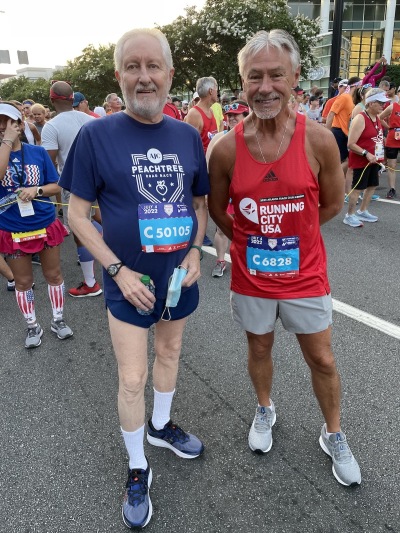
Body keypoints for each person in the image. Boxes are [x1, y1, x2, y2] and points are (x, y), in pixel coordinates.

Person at [60, 27, 209, 529]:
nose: (143, 77)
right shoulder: (95, 135)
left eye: (153, 67)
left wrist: (193, 250)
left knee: (169, 354)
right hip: (128, 284)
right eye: (132, 66)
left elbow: (200, 203)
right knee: (131, 378)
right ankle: (137, 465)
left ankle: (162, 426)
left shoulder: (187, 135)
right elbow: (75, 213)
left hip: (177, 280)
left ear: (170, 75)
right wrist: (117, 270)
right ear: (119, 75)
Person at [208, 29, 361, 487]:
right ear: (242, 83)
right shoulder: (227, 147)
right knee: (259, 345)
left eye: (277, 74)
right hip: (253, 277)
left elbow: (332, 204)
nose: (266, 86)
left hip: (306, 276)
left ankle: (333, 433)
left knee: (323, 359)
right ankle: (264, 408)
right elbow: (218, 210)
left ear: (295, 76)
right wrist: (251, 242)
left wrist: (295, 237)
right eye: (255, 77)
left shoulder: (318, 140)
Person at [0, 102, 72, 348]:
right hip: (12, 227)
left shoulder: (38, 153)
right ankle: (32, 325)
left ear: (20, 124)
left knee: (53, 275)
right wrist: (7, 143)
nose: (2, 128)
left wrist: (36, 189)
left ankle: (58, 320)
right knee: (22, 282)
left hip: (43, 222)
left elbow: (56, 185)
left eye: (7, 123)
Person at [41, 81, 103, 298]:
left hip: (75, 185)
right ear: (72, 99)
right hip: (101, 181)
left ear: (52, 100)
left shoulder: (52, 126)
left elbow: (47, 163)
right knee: (102, 218)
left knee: (80, 230)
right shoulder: (91, 119)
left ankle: (90, 283)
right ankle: (124, 253)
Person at [206, 101, 249, 277]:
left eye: (235, 115)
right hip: (225, 191)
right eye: (229, 115)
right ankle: (221, 260)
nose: (231, 118)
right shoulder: (219, 138)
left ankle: (247, 261)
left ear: (246, 116)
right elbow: (208, 165)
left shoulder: (255, 138)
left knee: (249, 229)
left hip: (248, 193)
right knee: (222, 229)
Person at [343, 88, 388, 227]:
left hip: (374, 160)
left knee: (372, 185)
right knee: (358, 188)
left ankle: (362, 211)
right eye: (380, 103)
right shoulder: (360, 118)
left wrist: (380, 156)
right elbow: (350, 144)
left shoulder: (376, 118)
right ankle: (349, 215)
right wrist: (366, 154)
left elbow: (377, 138)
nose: (383, 105)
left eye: (383, 102)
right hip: (361, 160)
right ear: (370, 103)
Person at [185, 76, 219, 247]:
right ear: (211, 91)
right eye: (217, 88)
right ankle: (198, 234)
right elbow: (186, 145)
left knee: (210, 202)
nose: (218, 92)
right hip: (198, 167)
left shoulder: (212, 112)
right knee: (198, 203)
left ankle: (207, 230)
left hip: (210, 166)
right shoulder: (194, 114)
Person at [378, 94, 400, 199]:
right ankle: (392, 189)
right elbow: (380, 117)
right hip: (393, 139)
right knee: (392, 165)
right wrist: (389, 127)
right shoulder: (393, 106)